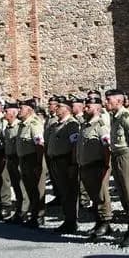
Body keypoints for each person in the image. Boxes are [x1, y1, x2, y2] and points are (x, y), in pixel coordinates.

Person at [105, 88, 129, 245]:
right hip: (116, 155)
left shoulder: (126, 116)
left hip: (125, 156)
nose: (106, 103)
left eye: (109, 100)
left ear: (119, 101)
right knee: (122, 193)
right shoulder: (114, 116)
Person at [77, 93, 113, 240]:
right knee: (94, 196)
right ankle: (99, 222)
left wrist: (106, 166)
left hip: (98, 165)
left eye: (88, 106)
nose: (85, 108)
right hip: (86, 165)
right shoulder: (85, 126)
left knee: (101, 195)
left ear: (97, 109)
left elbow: (106, 147)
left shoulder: (101, 126)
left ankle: (105, 222)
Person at [46, 96, 80, 233]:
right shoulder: (56, 124)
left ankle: (71, 221)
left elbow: (74, 145)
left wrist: (73, 163)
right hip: (55, 161)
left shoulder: (71, 124)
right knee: (63, 192)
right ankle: (67, 219)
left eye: (59, 106)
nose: (56, 108)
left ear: (66, 110)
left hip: (66, 161)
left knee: (69, 192)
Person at [16, 98, 47, 228]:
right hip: (24, 159)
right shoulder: (23, 124)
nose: (19, 111)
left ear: (29, 110)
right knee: (29, 188)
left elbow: (39, 144)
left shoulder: (34, 124)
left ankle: (39, 216)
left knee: (37, 189)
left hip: (33, 159)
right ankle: (33, 214)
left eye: (21, 108)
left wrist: (38, 164)